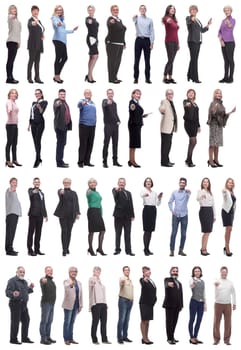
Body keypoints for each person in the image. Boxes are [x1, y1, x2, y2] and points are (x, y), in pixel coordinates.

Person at [5, 266, 34, 345]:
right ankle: (13, 339)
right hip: (15, 304)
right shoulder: (12, 281)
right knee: (15, 322)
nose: (22, 273)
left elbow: (26, 292)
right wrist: (13, 294)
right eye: (20, 271)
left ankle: (24, 338)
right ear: (17, 272)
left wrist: (30, 288)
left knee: (26, 320)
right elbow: (7, 292)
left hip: (24, 305)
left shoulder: (24, 282)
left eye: (23, 272)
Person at [207, 89, 236, 167]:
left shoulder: (221, 104)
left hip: (219, 125)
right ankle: (210, 161)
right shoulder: (213, 103)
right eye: (217, 93)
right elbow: (211, 114)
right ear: (214, 94)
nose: (219, 94)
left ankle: (216, 160)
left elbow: (222, 116)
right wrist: (214, 110)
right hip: (214, 125)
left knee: (217, 144)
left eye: (220, 93)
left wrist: (230, 112)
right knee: (212, 143)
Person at [51, 5, 78, 83]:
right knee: (59, 58)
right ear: (55, 11)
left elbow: (63, 30)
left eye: (61, 10)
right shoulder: (54, 18)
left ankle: (56, 75)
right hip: (57, 40)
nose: (59, 11)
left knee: (64, 58)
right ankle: (57, 76)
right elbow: (56, 24)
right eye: (58, 10)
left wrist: (72, 30)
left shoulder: (61, 19)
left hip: (63, 41)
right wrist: (58, 24)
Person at [54, 178, 80, 256]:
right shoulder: (61, 191)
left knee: (69, 232)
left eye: (68, 182)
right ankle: (64, 249)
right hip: (62, 215)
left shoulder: (74, 193)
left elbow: (76, 203)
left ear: (70, 183)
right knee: (64, 231)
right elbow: (59, 193)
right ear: (63, 183)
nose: (67, 183)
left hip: (71, 215)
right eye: (65, 182)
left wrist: (77, 213)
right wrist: (60, 191)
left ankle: (67, 247)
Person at [186, 5, 212, 83]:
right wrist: (191, 18)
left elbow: (202, 30)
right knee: (194, 60)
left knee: (193, 59)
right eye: (192, 10)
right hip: (192, 41)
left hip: (198, 42)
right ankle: (195, 78)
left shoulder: (198, 20)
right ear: (190, 11)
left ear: (197, 11)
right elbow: (189, 21)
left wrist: (208, 25)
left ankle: (189, 75)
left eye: (195, 10)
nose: (193, 11)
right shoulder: (188, 18)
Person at [213, 266, 236, 345]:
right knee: (216, 322)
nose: (224, 273)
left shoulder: (230, 282)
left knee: (228, 322)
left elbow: (233, 293)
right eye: (222, 272)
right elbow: (215, 293)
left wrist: (234, 303)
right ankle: (216, 339)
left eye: (225, 272)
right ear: (220, 272)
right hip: (218, 304)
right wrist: (216, 287)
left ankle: (227, 339)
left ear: (227, 273)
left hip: (228, 305)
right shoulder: (217, 281)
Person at [168, 177, 191, 256]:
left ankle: (181, 250)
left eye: (183, 183)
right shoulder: (174, 192)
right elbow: (170, 202)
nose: (182, 184)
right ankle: (172, 250)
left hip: (184, 215)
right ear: (179, 183)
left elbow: (189, 194)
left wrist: (188, 192)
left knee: (184, 234)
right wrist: (172, 210)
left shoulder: (187, 193)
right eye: (181, 182)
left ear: (185, 184)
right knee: (174, 233)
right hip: (176, 215)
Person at [112, 178, 135, 256]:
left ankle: (128, 251)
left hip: (128, 216)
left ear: (125, 183)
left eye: (123, 182)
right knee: (118, 233)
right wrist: (117, 190)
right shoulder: (115, 190)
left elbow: (131, 204)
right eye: (120, 182)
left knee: (128, 234)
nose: (122, 183)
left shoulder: (129, 193)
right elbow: (115, 195)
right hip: (118, 216)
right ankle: (117, 250)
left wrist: (132, 215)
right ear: (118, 183)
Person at [89, 267, 111, 345]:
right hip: (96, 304)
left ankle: (104, 339)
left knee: (104, 323)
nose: (98, 272)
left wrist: (105, 303)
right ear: (93, 271)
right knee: (95, 322)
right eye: (96, 271)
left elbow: (103, 294)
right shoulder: (92, 279)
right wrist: (94, 280)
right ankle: (94, 339)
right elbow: (91, 284)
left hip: (103, 304)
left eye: (99, 271)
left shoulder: (100, 282)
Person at [140, 177, 162, 255]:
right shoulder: (143, 191)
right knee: (146, 230)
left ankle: (148, 248)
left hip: (153, 210)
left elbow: (158, 204)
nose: (148, 182)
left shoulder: (154, 193)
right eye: (147, 181)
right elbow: (141, 195)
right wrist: (145, 195)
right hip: (146, 210)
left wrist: (159, 198)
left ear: (152, 183)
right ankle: (145, 249)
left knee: (150, 231)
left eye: (149, 181)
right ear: (145, 183)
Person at [133, 5, 154, 84]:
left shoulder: (150, 20)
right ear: (139, 10)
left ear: (146, 10)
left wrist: (152, 42)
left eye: (144, 8)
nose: (142, 10)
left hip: (147, 40)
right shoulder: (137, 18)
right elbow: (133, 20)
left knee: (147, 60)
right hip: (138, 40)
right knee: (136, 60)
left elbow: (152, 31)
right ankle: (136, 78)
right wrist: (134, 17)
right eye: (141, 9)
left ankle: (147, 78)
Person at [128, 89, 150, 167]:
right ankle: (132, 160)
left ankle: (131, 160)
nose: (138, 95)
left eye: (139, 94)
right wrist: (133, 109)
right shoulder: (132, 102)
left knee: (134, 143)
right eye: (137, 94)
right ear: (133, 94)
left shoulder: (137, 103)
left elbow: (136, 114)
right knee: (133, 143)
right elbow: (132, 110)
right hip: (133, 125)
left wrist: (142, 116)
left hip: (137, 124)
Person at [105, 5, 126, 83]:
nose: (116, 11)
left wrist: (124, 42)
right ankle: (111, 79)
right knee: (112, 61)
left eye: (117, 9)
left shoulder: (119, 20)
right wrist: (111, 22)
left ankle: (115, 77)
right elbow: (109, 24)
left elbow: (122, 32)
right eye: (114, 10)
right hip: (112, 43)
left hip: (120, 44)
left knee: (117, 62)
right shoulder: (110, 19)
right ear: (111, 11)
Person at [27, 177, 48, 256]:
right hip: (33, 214)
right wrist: (34, 191)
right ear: (33, 183)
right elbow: (31, 194)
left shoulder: (42, 193)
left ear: (40, 183)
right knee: (31, 232)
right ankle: (30, 250)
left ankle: (37, 249)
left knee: (38, 233)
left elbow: (43, 204)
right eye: (35, 182)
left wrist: (45, 215)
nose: (37, 183)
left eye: (38, 182)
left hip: (40, 215)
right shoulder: (30, 190)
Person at [162, 266, 183, 345]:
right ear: (170, 272)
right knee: (169, 322)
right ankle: (169, 338)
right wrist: (168, 284)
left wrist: (181, 305)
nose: (175, 272)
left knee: (174, 322)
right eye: (173, 271)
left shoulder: (179, 283)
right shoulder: (167, 279)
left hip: (177, 306)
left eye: (176, 271)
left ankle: (172, 337)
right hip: (169, 305)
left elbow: (181, 294)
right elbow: (166, 284)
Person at [62, 267, 83, 345]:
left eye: (75, 271)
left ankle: (70, 338)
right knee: (67, 322)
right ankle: (66, 339)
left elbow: (81, 295)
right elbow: (67, 288)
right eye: (72, 271)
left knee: (72, 322)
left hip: (76, 305)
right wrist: (71, 285)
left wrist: (81, 305)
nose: (74, 272)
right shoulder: (66, 281)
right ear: (69, 272)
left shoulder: (79, 283)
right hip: (68, 305)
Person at [28, 89, 48, 167]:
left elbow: (41, 112)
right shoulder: (33, 103)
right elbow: (31, 113)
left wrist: (39, 107)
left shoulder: (44, 102)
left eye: (38, 93)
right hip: (33, 123)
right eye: (36, 93)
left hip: (40, 123)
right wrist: (29, 124)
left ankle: (37, 159)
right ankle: (39, 158)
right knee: (34, 141)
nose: (37, 94)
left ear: (41, 94)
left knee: (37, 140)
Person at [86, 178, 106, 256]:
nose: (92, 183)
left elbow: (99, 203)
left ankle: (100, 248)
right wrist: (89, 189)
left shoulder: (97, 192)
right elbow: (88, 193)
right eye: (90, 182)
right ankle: (90, 249)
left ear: (96, 183)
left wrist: (101, 213)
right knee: (92, 231)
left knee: (103, 230)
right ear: (88, 184)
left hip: (98, 212)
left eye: (94, 182)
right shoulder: (89, 191)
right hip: (92, 211)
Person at [102, 88, 122, 168]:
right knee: (106, 143)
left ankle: (115, 161)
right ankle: (105, 162)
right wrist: (107, 103)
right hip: (108, 125)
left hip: (115, 126)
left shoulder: (114, 103)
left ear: (113, 94)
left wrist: (119, 120)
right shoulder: (104, 101)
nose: (110, 94)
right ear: (107, 94)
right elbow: (104, 105)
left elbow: (115, 113)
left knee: (115, 144)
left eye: (111, 93)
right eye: (109, 93)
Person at [53, 89, 72, 168]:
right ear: (58, 95)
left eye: (64, 94)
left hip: (64, 127)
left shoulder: (65, 102)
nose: (63, 95)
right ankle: (59, 163)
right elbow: (56, 105)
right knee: (60, 144)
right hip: (59, 127)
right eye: (61, 94)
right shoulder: (57, 101)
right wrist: (58, 103)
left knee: (63, 143)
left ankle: (61, 160)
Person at [77, 89, 96, 167]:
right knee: (83, 144)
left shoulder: (93, 103)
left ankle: (87, 161)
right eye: (86, 93)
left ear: (91, 94)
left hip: (92, 126)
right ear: (84, 94)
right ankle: (80, 162)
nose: (88, 94)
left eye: (89, 93)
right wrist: (82, 103)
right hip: (84, 125)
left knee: (90, 144)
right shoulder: (82, 101)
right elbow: (79, 105)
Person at [197, 178, 216, 256]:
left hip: (210, 211)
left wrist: (214, 215)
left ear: (209, 183)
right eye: (204, 182)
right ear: (202, 183)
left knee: (208, 232)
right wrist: (202, 196)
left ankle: (204, 248)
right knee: (206, 231)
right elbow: (197, 199)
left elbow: (213, 204)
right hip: (204, 211)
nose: (205, 183)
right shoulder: (200, 191)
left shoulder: (210, 192)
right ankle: (203, 249)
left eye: (207, 182)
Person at [159, 89, 177, 167]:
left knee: (168, 145)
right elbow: (161, 108)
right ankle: (164, 162)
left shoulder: (171, 102)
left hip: (170, 128)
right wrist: (161, 110)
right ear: (166, 95)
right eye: (169, 94)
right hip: (166, 128)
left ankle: (167, 160)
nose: (170, 95)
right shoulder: (164, 101)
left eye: (171, 94)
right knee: (165, 146)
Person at [27, 5, 44, 84]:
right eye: (34, 10)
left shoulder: (39, 21)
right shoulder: (30, 20)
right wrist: (34, 23)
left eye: (37, 10)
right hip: (32, 44)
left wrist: (42, 35)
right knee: (31, 61)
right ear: (31, 12)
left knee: (37, 62)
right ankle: (29, 78)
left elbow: (40, 30)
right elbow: (30, 25)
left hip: (39, 44)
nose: (36, 12)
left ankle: (37, 78)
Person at [162, 5, 179, 84]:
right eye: (171, 9)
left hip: (175, 42)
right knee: (170, 60)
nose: (172, 10)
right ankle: (165, 77)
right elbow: (166, 20)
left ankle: (170, 77)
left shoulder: (174, 20)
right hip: (169, 41)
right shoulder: (166, 18)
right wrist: (168, 20)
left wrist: (178, 43)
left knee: (172, 60)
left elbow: (176, 33)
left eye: (173, 9)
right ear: (168, 10)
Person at [139, 266, 157, 345]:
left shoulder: (151, 280)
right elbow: (142, 282)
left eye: (149, 271)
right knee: (144, 320)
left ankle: (146, 337)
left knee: (148, 321)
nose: (148, 272)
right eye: (146, 271)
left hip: (150, 304)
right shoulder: (143, 279)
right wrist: (144, 279)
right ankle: (144, 338)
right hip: (144, 303)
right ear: (143, 273)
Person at [218, 6, 235, 83]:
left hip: (230, 42)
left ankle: (231, 78)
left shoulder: (233, 20)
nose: (226, 11)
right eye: (225, 10)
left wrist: (228, 23)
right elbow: (219, 32)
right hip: (223, 43)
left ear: (231, 11)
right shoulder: (222, 20)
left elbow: (231, 27)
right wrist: (221, 40)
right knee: (225, 61)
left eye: (228, 10)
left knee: (230, 60)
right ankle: (225, 77)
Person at [183, 89, 200, 167]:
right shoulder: (186, 101)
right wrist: (189, 104)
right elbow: (186, 105)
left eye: (192, 93)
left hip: (195, 124)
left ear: (194, 95)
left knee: (194, 142)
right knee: (192, 142)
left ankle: (187, 159)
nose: (191, 94)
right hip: (189, 124)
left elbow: (197, 116)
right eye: (189, 93)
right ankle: (189, 161)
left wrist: (199, 126)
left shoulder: (195, 104)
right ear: (187, 94)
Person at [39, 266, 56, 345]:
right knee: (44, 321)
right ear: (45, 271)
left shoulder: (52, 281)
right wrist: (43, 281)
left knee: (49, 321)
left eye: (51, 270)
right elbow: (42, 282)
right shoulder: (44, 279)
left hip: (52, 304)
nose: (50, 272)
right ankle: (43, 339)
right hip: (46, 303)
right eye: (48, 270)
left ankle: (48, 337)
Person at [5, 89, 22, 167]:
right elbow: (9, 108)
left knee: (15, 144)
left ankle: (14, 160)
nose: (14, 94)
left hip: (15, 125)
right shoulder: (9, 101)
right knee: (9, 143)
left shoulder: (14, 102)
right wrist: (9, 110)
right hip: (10, 125)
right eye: (12, 93)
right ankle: (8, 161)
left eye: (15, 93)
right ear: (9, 94)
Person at [5, 177, 22, 256]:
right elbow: (11, 190)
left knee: (11, 233)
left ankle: (10, 248)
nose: (15, 183)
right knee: (10, 233)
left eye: (16, 182)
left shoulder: (15, 192)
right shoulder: (9, 190)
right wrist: (13, 188)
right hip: (11, 214)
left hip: (14, 215)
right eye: (14, 182)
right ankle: (9, 250)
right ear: (10, 183)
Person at [117, 266, 134, 344]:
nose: (127, 271)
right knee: (122, 319)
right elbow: (121, 284)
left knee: (127, 320)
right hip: (123, 300)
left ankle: (125, 336)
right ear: (123, 271)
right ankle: (119, 338)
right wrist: (122, 283)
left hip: (130, 301)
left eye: (128, 270)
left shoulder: (130, 280)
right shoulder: (122, 278)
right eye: (125, 270)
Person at [6, 4, 21, 84]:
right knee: (10, 61)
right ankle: (9, 78)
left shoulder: (17, 20)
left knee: (12, 61)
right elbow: (10, 17)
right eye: (12, 9)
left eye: (15, 8)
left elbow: (18, 33)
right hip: (11, 41)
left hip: (15, 42)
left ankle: (11, 77)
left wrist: (19, 42)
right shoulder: (10, 17)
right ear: (10, 11)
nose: (14, 10)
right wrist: (12, 16)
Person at [222, 178, 236, 256]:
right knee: (228, 229)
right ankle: (227, 248)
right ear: (226, 184)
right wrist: (224, 191)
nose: (230, 184)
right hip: (226, 212)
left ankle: (226, 246)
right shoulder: (226, 191)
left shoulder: (232, 192)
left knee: (229, 230)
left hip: (231, 213)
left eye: (231, 183)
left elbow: (233, 203)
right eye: (229, 183)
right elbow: (224, 195)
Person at [85, 5, 99, 83]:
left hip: (95, 39)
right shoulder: (88, 19)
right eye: (89, 10)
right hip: (91, 39)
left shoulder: (94, 19)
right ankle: (89, 75)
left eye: (92, 10)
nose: (90, 11)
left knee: (91, 57)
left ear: (94, 10)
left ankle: (89, 75)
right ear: (88, 11)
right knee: (95, 56)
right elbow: (89, 23)